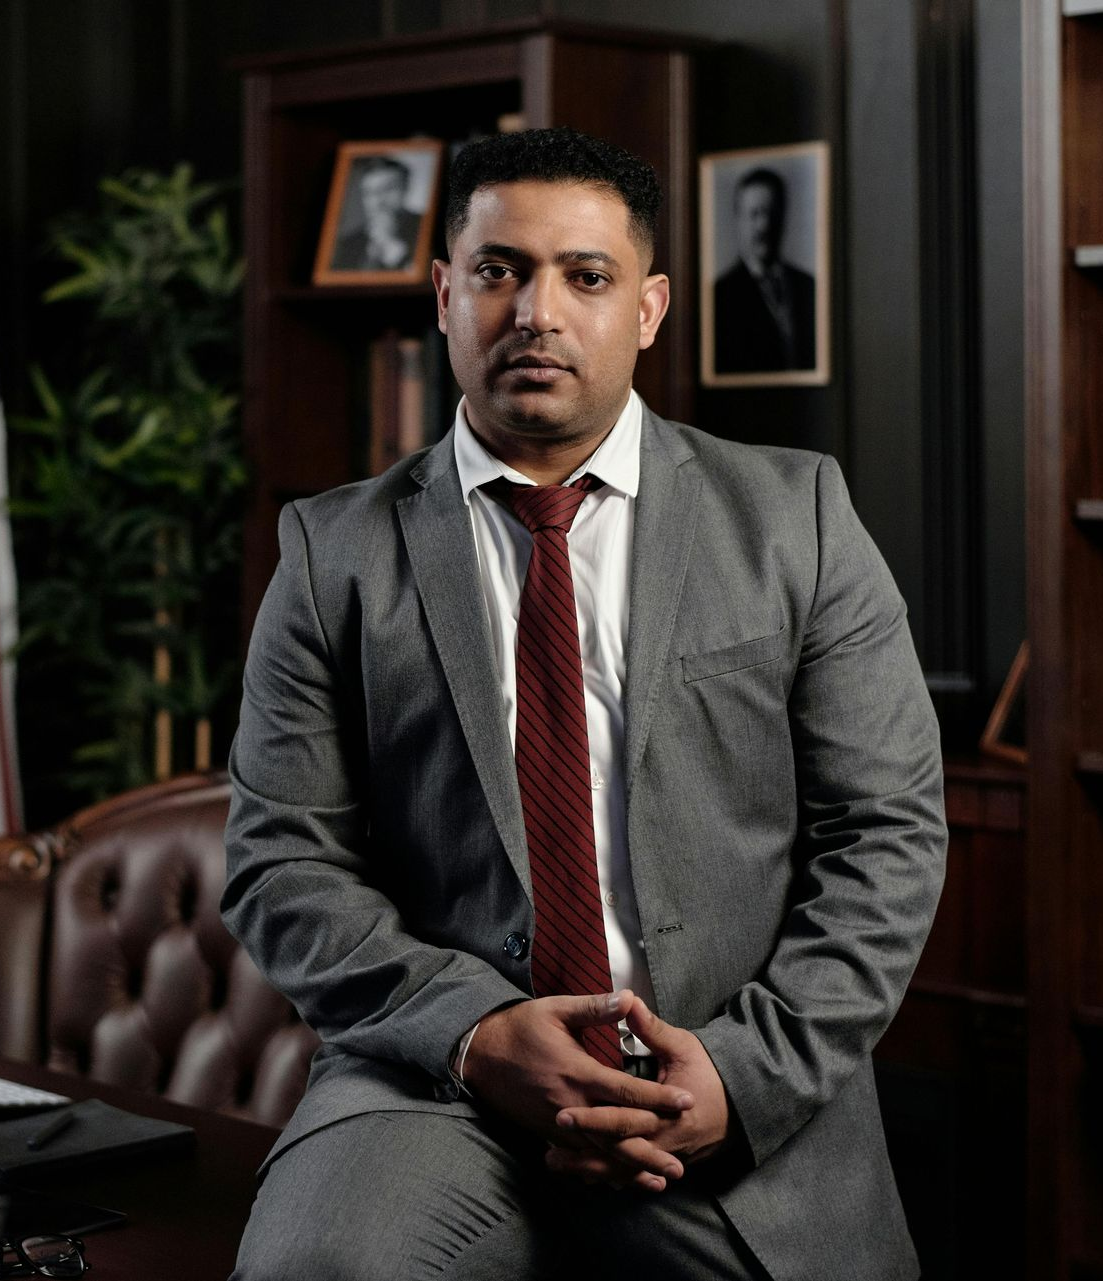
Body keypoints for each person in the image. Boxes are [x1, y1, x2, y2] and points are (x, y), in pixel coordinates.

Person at [224, 125, 946, 1281]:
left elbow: (890, 838)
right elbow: (279, 863)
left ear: (650, 308)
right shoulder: (333, 554)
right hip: (436, 1083)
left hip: (720, 1079)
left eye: (586, 276)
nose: (537, 312)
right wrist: (475, 1034)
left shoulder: (797, 520)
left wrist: (742, 1072)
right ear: (445, 293)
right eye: (501, 270)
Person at [712, 167, 817, 375]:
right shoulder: (721, 295)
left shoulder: (808, 285)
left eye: (771, 213)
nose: (764, 225)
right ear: (738, 219)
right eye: (754, 214)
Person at [332, 155, 421, 271]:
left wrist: (391, 246)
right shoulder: (349, 243)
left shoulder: (426, 228)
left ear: (406, 188)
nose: (378, 201)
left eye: (388, 189)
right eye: (370, 193)